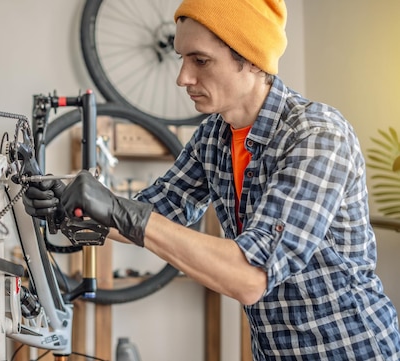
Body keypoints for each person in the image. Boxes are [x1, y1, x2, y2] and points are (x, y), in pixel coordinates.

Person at [22, 0, 400, 359]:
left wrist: (119, 211)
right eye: (182, 58)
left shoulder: (317, 136)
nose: (183, 77)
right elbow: (156, 214)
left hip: (353, 350)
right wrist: (68, 204)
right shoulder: (213, 137)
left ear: (251, 60)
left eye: (200, 60)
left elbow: (250, 276)